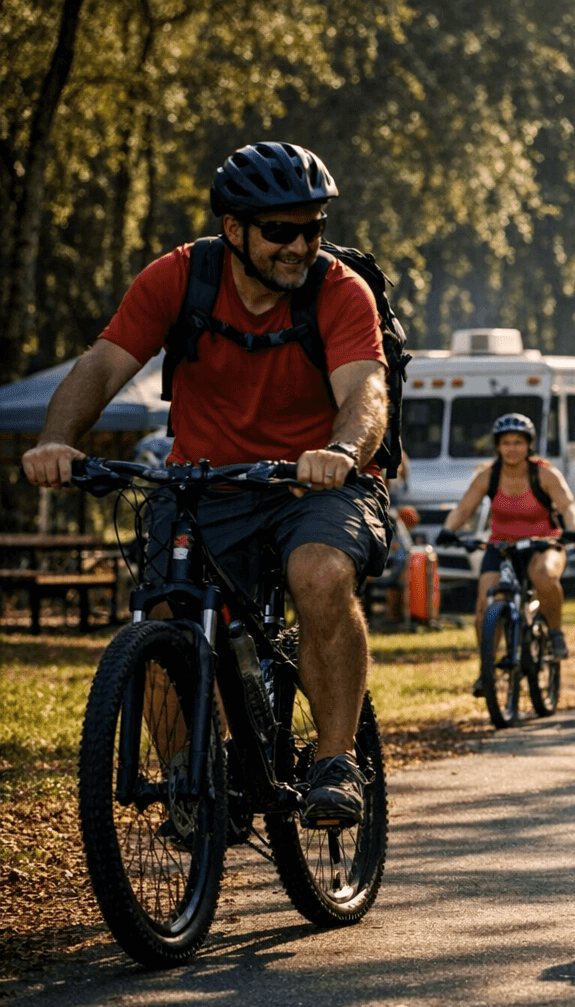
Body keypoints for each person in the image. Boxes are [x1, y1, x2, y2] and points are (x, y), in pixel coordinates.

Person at [22, 141, 388, 826]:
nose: (301, 245)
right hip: (205, 485)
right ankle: (198, 783)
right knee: (162, 618)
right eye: (282, 230)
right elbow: (103, 365)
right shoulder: (179, 279)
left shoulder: (339, 291)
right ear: (235, 230)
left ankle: (337, 762)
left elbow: (365, 388)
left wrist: (340, 449)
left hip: (316, 486)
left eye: (314, 228)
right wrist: (56, 440)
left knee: (318, 573)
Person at [437, 412, 575, 683]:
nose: (512, 449)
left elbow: (567, 505)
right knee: (485, 604)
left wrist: (572, 531)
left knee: (544, 577)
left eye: (518, 442)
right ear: (497, 446)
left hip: (543, 543)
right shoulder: (488, 477)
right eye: (505, 443)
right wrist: (448, 531)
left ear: (529, 445)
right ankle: (487, 670)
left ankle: (555, 633)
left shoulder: (544, 474)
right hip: (502, 546)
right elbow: (464, 508)